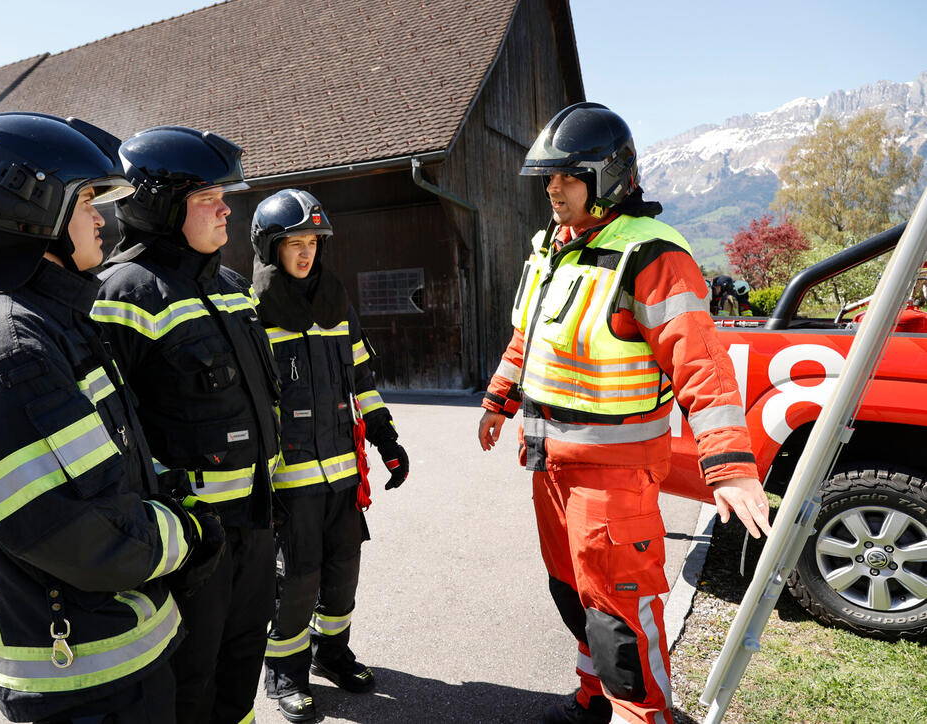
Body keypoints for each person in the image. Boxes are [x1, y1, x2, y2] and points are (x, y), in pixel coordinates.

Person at [0, 112, 224, 724]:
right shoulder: (2, 344)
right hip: (86, 682)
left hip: (117, 653)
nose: (102, 219)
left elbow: (108, 459)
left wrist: (171, 499)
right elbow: (75, 532)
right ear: (30, 205)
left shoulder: (49, 321)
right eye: (87, 199)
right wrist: (185, 539)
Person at [476, 103, 771, 724]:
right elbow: (527, 338)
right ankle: (592, 698)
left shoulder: (651, 255)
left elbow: (702, 364)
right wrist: (498, 401)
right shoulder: (551, 248)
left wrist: (731, 467)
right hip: (550, 466)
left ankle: (644, 715)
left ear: (608, 177)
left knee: (620, 619)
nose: (553, 189)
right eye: (548, 178)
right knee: (573, 594)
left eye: (567, 177)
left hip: (613, 479)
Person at [91, 125, 281, 724]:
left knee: (242, 669)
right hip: (189, 546)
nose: (228, 208)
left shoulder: (231, 288)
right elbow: (111, 435)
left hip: (255, 525)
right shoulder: (120, 296)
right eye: (209, 198)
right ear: (160, 205)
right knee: (188, 684)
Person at [249, 189, 409, 722]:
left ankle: (332, 654)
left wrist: (387, 439)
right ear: (270, 248)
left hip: (343, 475)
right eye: (294, 243)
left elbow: (362, 378)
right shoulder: (252, 313)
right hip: (290, 480)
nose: (306, 253)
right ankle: (286, 675)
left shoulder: (338, 303)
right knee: (295, 582)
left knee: (343, 575)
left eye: (313, 242)